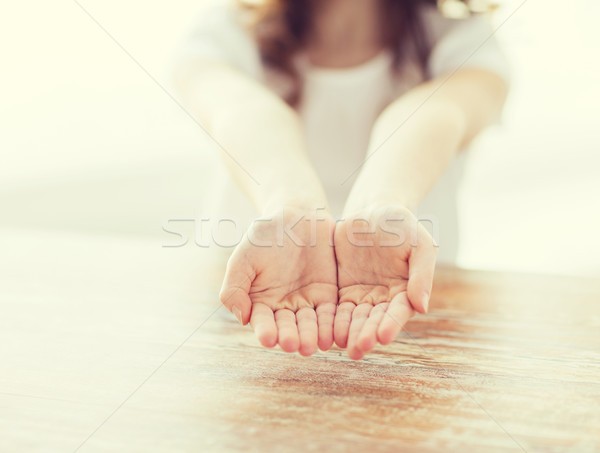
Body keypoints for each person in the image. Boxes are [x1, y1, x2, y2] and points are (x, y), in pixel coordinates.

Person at [172, 0, 509, 360]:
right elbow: (241, 110)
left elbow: (435, 112)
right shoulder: (229, 28)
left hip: (408, 324)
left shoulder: (461, 37)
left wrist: (378, 205)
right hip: (247, 315)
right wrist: (291, 206)